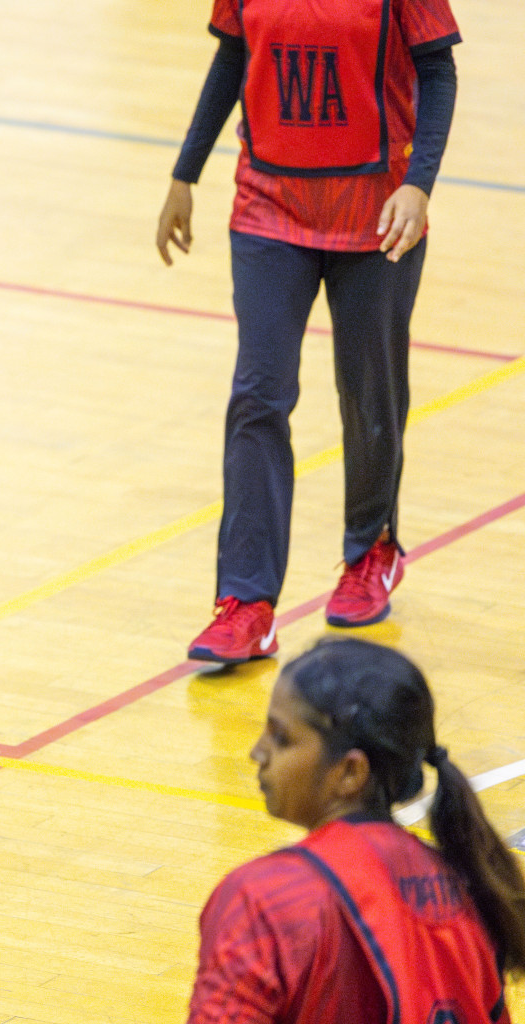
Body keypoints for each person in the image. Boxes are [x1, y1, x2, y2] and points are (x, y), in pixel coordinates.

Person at [157, 0, 462, 664]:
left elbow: (438, 72)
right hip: (268, 208)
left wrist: (420, 184)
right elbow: (232, 58)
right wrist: (186, 173)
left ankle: (371, 549)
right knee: (258, 397)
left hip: (376, 211)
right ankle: (246, 603)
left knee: (368, 393)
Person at [189, 638, 525, 1023]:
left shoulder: (265, 900)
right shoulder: (469, 887)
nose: (257, 751)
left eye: (282, 738)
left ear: (351, 772)